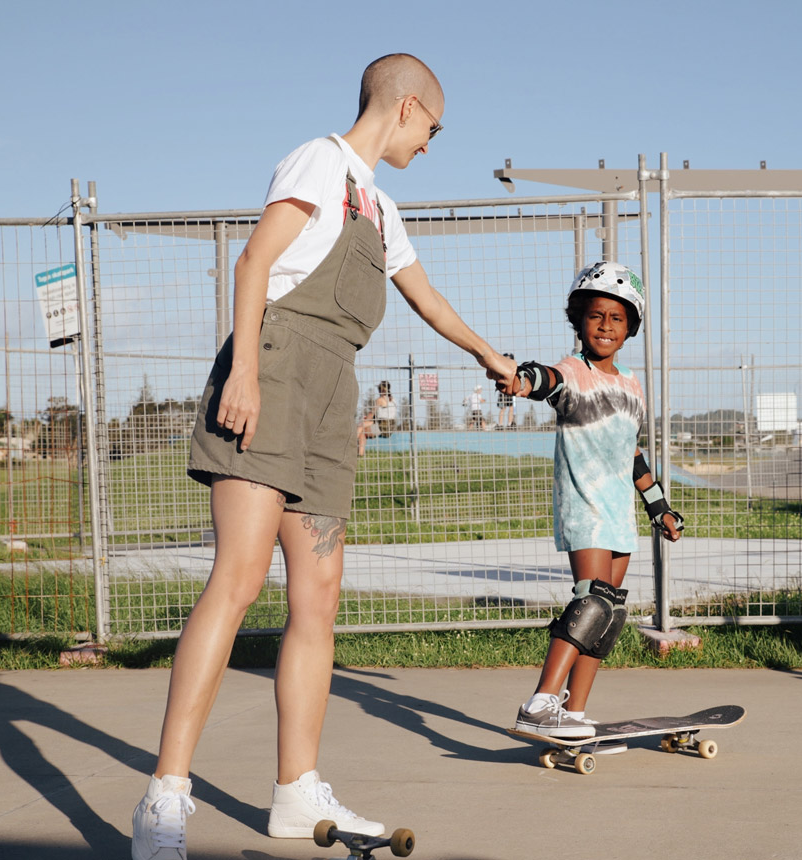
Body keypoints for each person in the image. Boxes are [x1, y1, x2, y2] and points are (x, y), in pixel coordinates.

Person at [131, 53, 516, 860]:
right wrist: (243, 372)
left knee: (320, 598)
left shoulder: (380, 207)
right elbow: (254, 262)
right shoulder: (321, 160)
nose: (430, 144)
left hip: (333, 391)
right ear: (408, 107)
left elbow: (425, 297)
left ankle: (295, 792)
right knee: (237, 580)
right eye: (434, 128)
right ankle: (165, 797)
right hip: (272, 369)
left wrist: (489, 353)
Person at [504, 261, 683, 742]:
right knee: (592, 603)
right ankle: (540, 703)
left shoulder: (631, 385)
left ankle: (574, 713)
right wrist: (520, 379)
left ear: (630, 328)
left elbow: (634, 454)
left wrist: (658, 506)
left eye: (617, 318)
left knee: (608, 617)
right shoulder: (573, 371)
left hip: (618, 513)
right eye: (596, 315)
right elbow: (545, 381)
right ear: (579, 320)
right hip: (583, 507)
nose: (606, 326)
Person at [497, 352, 516, 429]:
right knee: (503, 408)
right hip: (503, 389)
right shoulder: (501, 368)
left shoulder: (513, 368)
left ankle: (509, 424)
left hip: (510, 389)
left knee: (510, 407)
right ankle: (501, 425)